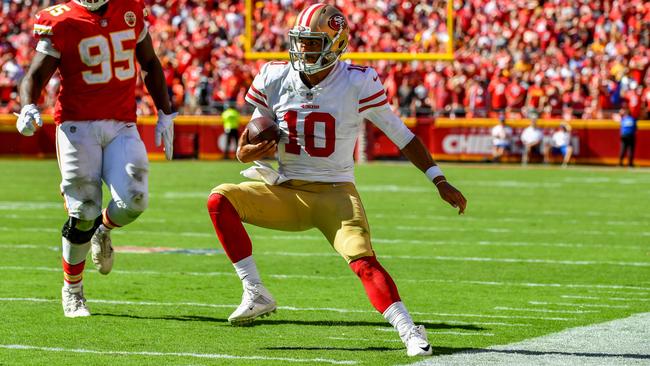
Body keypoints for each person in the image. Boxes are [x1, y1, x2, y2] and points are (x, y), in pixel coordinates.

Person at [206, 4, 467, 357]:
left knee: (363, 260)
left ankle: (409, 329)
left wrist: (438, 179)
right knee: (220, 199)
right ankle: (255, 291)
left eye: (313, 43)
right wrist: (244, 153)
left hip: (335, 194)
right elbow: (248, 139)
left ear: (336, 43)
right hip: (286, 189)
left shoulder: (357, 81)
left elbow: (400, 134)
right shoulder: (274, 76)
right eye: (300, 42)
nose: (303, 50)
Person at [16, 0, 175, 317]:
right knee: (83, 209)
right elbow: (36, 73)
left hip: (121, 123)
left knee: (135, 200)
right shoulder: (62, 21)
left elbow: (150, 63)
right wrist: (28, 105)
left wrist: (166, 111)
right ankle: (72, 290)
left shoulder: (129, 8)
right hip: (78, 127)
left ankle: (103, 230)